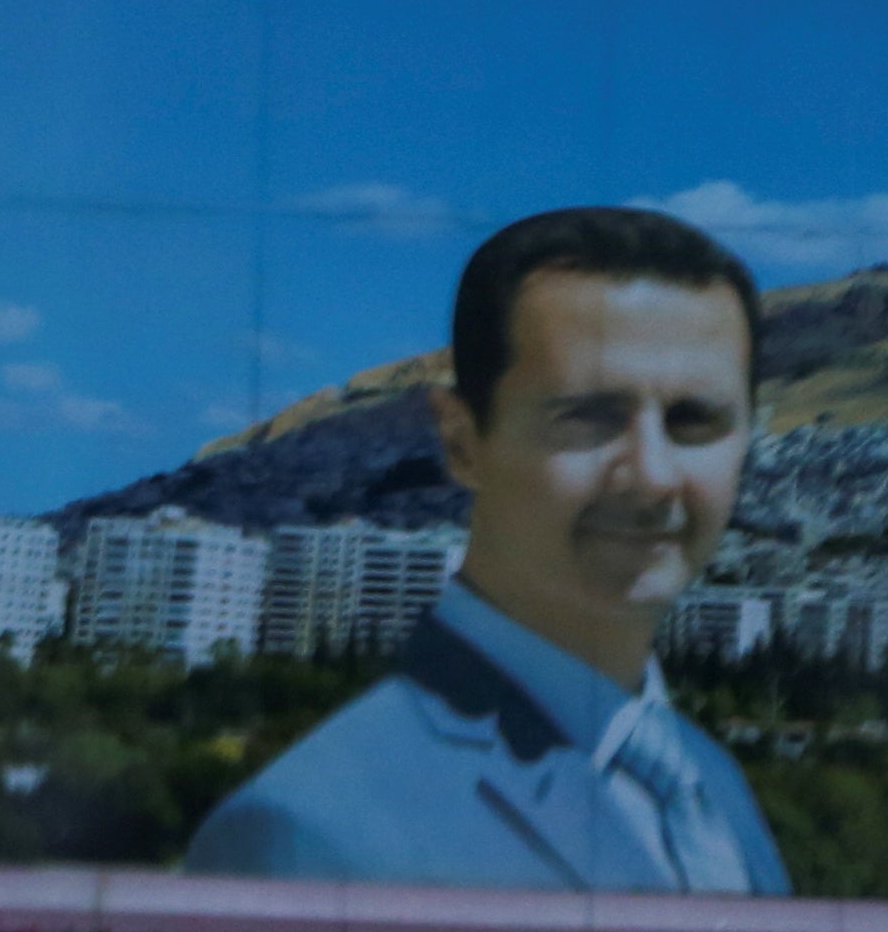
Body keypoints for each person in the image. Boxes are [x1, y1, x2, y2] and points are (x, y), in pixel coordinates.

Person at [183, 205, 788, 893]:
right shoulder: (308, 831)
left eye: (694, 420)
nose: (651, 475)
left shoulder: (713, 783)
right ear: (462, 442)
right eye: (587, 416)